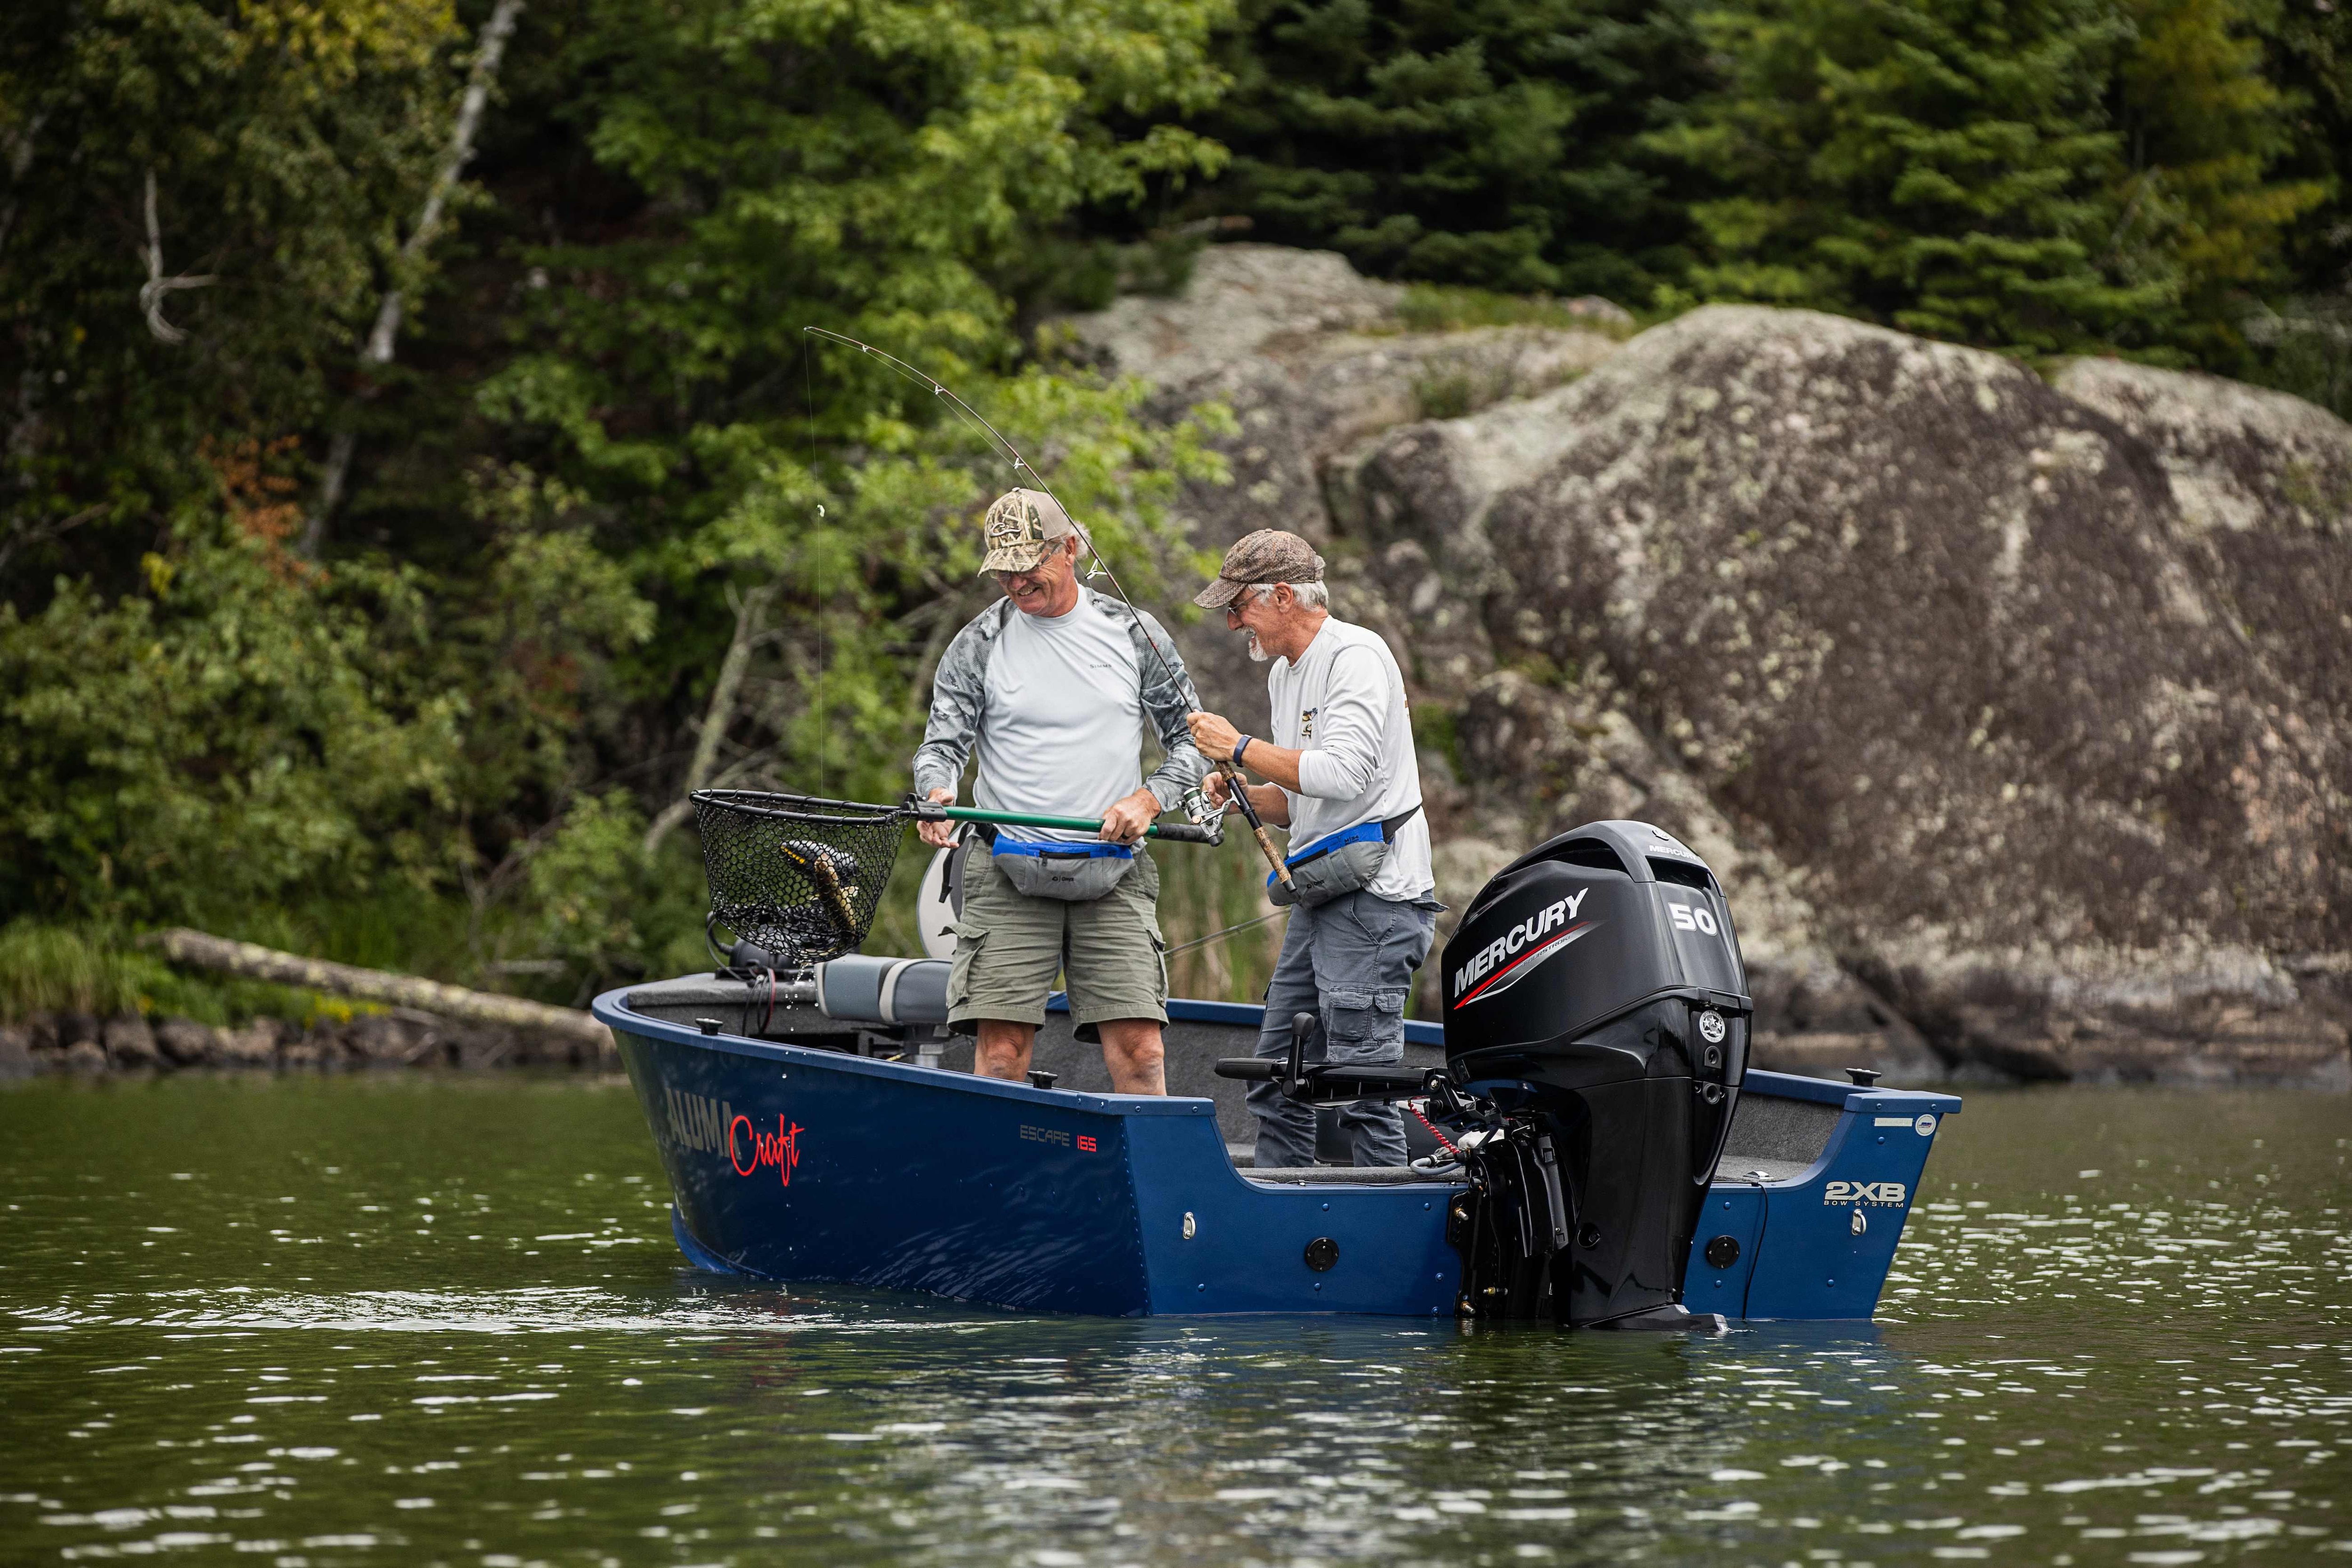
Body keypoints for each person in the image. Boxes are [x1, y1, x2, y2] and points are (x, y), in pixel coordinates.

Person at [910, 488, 1206, 1095]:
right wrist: (935, 790)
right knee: (1001, 1054)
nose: (1017, 583)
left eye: (1028, 566)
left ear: (1070, 548)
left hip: (1115, 870)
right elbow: (941, 745)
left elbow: (1195, 741)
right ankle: (996, 1184)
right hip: (1006, 869)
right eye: (1004, 572)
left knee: (1142, 1051)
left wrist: (1149, 799)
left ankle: (1152, 1186)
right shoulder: (978, 643)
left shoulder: (1134, 633)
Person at [1184, 530, 1438, 1167]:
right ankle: (1283, 1217)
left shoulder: (1356, 655)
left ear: (1282, 596)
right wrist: (1243, 789)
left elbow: (1344, 774)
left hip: (1377, 904)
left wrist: (1238, 745)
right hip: (1325, 897)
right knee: (1277, 1077)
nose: (1233, 621)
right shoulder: (1281, 676)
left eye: (1238, 605)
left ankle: (1385, 1241)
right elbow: (1305, 797)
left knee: (1362, 1092)